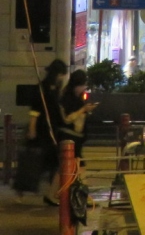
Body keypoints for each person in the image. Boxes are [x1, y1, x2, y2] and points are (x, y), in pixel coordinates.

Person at [20, 59, 68, 205]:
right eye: (61, 74)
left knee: (51, 163)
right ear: (57, 74)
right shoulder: (42, 89)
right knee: (37, 162)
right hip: (42, 130)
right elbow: (35, 111)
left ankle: (49, 193)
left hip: (52, 130)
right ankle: (27, 190)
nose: (62, 77)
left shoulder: (55, 89)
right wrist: (32, 129)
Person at [58, 70, 97, 162]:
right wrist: (83, 109)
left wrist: (87, 110)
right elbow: (67, 119)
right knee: (72, 165)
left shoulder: (79, 98)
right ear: (75, 85)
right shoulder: (66, 98)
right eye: (82, 85)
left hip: (78, 138)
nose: (84, 88)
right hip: (68, 137)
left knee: (76, 165)